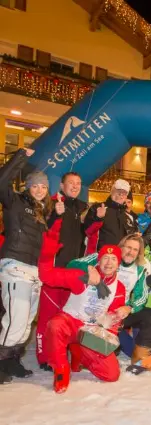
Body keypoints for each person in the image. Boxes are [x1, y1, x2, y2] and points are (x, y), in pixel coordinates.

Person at [38, 224, 130, 394]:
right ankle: (61, 369)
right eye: (105, 258)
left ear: (118, 264)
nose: (109, 263)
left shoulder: (119, 288)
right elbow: (46, 276)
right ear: (99, 260)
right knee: (55, 325)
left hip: (91, 332)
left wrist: (121, 313)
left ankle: (80, 352)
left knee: (111, 375)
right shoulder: (81, 277)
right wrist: (48, 253)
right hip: (69, 323)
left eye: (113, 259)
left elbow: (113, 318)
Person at [0, 148, 52, 384]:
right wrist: (20, 156)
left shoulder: (41, 212)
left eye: (43, 187)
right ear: (27, 187)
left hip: (33, 271)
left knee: (27, 322)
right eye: (35, 186)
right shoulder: (15, 202)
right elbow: (2, 181)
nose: (40, 190)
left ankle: (13, 360)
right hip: (15, 266)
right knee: (15, 319)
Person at [66, 234, 151, 361]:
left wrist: (129, 307)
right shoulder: (105, 257)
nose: (131, 252)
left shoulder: (139, 270)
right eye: (128, 247)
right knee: (108, 350)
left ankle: (141, 356)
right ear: (121, 247)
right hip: (97, 311)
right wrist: (90, 269)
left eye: (135, 250)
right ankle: (90, 351)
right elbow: (72, 264)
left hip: (120, 313)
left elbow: (142, 296)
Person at [36, 171, 88, 371]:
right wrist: (55, 215)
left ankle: (61, 353)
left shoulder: (80, 208)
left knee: (66, 317)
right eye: (71, 182)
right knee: (48, 316)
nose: (75, 186)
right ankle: (45, 357)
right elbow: (44, 231)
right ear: (61, 185)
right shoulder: (51, 203)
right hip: (54, 270)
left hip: (72, 273)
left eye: (78, 183)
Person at [84, 179, 132, 253]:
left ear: (126, 196)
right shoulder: (98, 208)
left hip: (118, 256)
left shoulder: (128, 216)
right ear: (112, 191)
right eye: (118, 191)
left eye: (124, 193)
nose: (121, 194)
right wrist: (98, 218)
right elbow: (87, 231)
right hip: (98, 256)